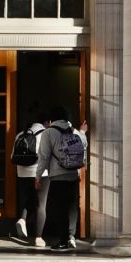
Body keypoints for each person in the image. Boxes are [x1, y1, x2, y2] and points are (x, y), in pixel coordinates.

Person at [35, 104, 88, 251]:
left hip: (57, 176)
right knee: (72, 208)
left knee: (59, 209)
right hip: (73, 175)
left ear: (52, 119)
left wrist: (38, 176)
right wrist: (83, 133)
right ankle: (71, 237)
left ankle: (63, 241)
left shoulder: (49, 133)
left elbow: (44, 157)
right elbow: (84, 146)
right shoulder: (74, 131)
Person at [11, 110, 50, 246]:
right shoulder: (46, 134)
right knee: (41, 204)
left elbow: (12, 157)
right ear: (47, 122)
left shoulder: (20, 135)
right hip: (40, 174)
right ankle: (38, 237)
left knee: (29, 199)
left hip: (22, 174)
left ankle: (22, 219)